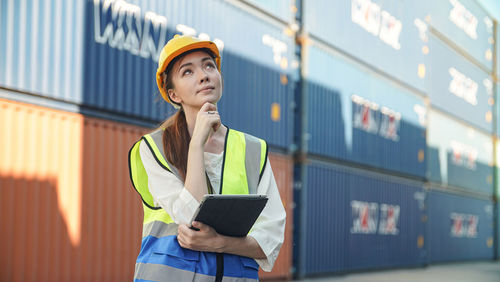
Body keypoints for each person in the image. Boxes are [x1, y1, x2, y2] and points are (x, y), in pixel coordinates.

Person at [128, 35, 286, 282]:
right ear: (174, 94)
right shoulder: (154, 148)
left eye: (209, 65)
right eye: (188, 72)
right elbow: (190, 217)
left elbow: (271, 240)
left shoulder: (253, 150)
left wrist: (220, 243)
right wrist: (196, 145)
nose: (203, 75)